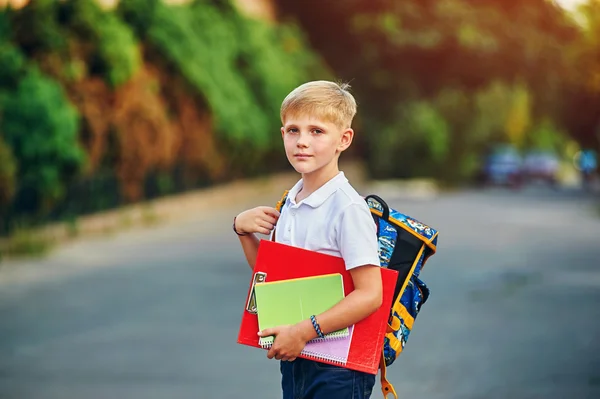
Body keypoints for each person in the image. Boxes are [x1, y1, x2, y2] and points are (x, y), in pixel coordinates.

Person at [233, 81, 383, 399]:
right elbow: (272, 279)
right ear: (282, 134)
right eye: (293, 130)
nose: (302, 142)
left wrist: (302, 332)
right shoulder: (291, 200)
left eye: (317, 131)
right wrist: (244, 232)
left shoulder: (348, 208)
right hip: (297, 357)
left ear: (344, 139)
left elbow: (371, 295)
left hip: (339, 368)